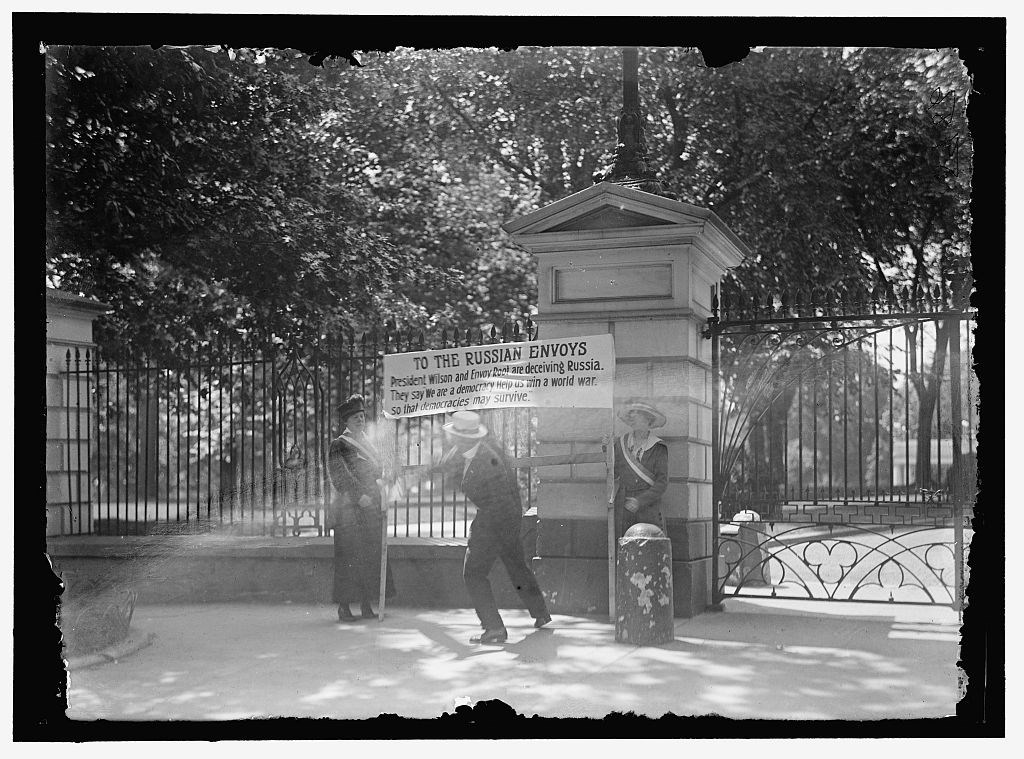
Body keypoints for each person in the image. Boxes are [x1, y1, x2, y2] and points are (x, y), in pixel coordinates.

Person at [435, 411, 551, 644]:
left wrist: (482, 534)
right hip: (505, 517)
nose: (451, 439)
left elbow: (499, 500)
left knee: (473, 573)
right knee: (516, 565)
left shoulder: (487, 459)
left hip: (496, 519)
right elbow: (444, 467)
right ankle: (540, 613)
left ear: (465, 438)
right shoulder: (470, 451)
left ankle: (493, 627)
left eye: (455, 436)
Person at [326, 394, 396, 622]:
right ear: (346, 421)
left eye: (362, 416)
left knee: (369, 557)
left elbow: (378, 471)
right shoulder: (339, 445)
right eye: (355, 417)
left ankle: (366, 605)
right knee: (349, 559)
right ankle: (344, 608)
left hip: (370, 509)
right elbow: (340, 476)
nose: (360, 420)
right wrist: (360, 496)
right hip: (349, 511)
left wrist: (384, 482)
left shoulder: (370, 444)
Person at [613, 400, 669, 538]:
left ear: (647, 419)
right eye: (631, 415)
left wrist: (640, 501)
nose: (632, 418)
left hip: (649, 509)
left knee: (650, 548)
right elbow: (613, 473)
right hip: (625, 508)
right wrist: (606, 450)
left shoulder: (658, 447)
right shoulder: (620, 444)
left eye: (637, 415)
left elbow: (662, 483)